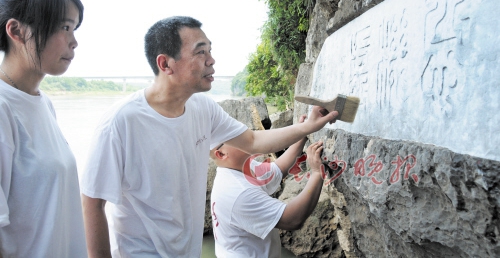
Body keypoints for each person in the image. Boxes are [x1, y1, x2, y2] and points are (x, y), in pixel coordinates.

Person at [81, 16, 338, 258]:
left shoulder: (202, 108)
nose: (211, 60)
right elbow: (92, 203)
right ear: (165, 64)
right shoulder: (120, 123)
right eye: (200, 51)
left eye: (210, 50)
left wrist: (307, 127)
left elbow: (252, 141)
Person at [0, 0, 87, 257]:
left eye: (74, 28)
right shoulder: (3, 108)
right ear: (16, 31)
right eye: (64, 26)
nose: (73, 41)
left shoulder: (42, 103)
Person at [210, 114, 326, 257]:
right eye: (234, 136)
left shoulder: (242, 166)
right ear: (221, 154)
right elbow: (292, 219)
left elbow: (277, 170)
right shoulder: (237, 192)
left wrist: (301, 133)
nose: (244, 135)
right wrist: (316, 173)